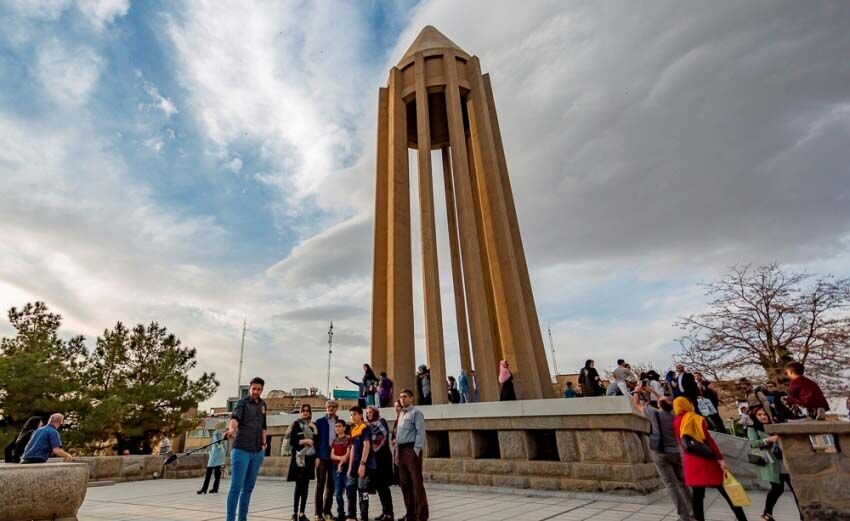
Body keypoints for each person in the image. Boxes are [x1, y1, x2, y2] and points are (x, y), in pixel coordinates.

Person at [672, 397, 747, 521]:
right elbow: (709, 441)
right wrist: (720, 458)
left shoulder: (676, 422)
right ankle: (742, 518)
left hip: (691, 460)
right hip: (706, 459)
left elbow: (682, 443)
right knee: (727, 492)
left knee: (697, 497)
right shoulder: (696, 418)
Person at [632, 386, 694, 521]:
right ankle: (693, 512)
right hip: (677, 453)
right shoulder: (676, 418)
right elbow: (662, 401)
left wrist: (637, 390)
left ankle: (683, 516)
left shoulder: (654, 414)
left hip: (660, 454)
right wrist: (651, 391)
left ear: (659, 405)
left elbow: (636, 403)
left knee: (671, 485)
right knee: (683, 483)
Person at [746, 406, 801, 521]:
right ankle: (767, 513)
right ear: (755, 417)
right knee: (777, 489)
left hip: (785, 462)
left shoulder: (775, 425)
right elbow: (753, 443)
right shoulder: (753, 428)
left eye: (765, 414)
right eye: (759, 415)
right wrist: (770, 439)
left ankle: (802, 515)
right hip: (772, 463)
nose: (763, 417)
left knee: (796, 490)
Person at [225, 376, 268, 521]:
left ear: (262, 390)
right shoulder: (242, 403)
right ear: (249, 388)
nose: (256, 391)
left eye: (259, 389)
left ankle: (242, 518)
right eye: (254, 388)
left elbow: (264, 426)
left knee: (248, 488)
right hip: (241, 450)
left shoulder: (263, 405)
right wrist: (231, 429)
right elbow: (235, 418)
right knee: (236, 488)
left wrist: (264, 444)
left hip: (257, 451)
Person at [396, 388, 428, 521]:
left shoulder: (416, 413)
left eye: (405, 397)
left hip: (411, 450)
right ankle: (410, 514)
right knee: (404, 484)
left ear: (411, 398)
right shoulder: (401, 414)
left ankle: (421, 515)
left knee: (416, 484)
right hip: (401, 450)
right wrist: (397, 454)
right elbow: (398, 435)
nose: (402, 399)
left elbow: (420, 433)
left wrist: (416, 450)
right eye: (401, 397)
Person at [288, 404, 317, 521]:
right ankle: (295, 512)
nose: (305, 413)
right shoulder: (296, 424)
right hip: (299, 459)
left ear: (310, 413)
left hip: (309, 459)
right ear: (300, 412)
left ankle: (302, 513)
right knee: (298, 486)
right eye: (303, 411)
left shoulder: (312, 425)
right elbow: (292, 441)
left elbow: (317, 441)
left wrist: (314, 429)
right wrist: (305, 440)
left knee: (305, 487)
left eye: (307, 411)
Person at [346, 406, 374, 521]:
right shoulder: (353, 429)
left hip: (363, 466)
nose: (352, 417)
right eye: (351, 414)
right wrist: (349, 467)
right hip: (354, 466)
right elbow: (352, 448)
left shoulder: (365, 428)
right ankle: (352, 516)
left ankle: (364, 517)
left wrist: (362, 464)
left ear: (361, 415)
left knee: (363, 492)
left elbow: (367, 445)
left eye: (355, 414)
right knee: (350, 489)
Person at [367, 406, 394, 521]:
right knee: (379, 488)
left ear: (376, 413)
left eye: (371, 412)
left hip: (382, 460)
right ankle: (385, 512)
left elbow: (381, 438)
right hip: (374, 462)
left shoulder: (380, 422)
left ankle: (389, 514)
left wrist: (370, 444)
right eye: (367, 413)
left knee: (384, 488)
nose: (368, 414)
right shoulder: (368, 426)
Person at [314, 400, 340, 521]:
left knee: (331, 485)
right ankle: (318, 513)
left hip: (334, 457)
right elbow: (315, 441)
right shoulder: (319, 422)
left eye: (333, 407)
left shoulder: (339, 423)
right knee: (320, 484)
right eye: (328, 406)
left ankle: (327, 512)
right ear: (326, 408)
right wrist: (317, 456)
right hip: (322, 457)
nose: (330, 408)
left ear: (336, 408)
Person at [329, 420, 350, 521]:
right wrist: (340, 459)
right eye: (336, 426)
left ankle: (351, 514)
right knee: (338, 493)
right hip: (335, 469)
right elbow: (331, 455)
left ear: (344, 428)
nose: (337, 428)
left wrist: (342, 462)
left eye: (339, 426)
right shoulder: (334, 440)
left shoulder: (348, 439)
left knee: (349, 492)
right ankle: (341, 513)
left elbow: (348, 454)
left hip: (345, 469)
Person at [198, 424, 227, 494]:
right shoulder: (223, 433)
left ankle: (204, 488)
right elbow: (224, 445)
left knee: (209, 471)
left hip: (215, 454)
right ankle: (215, 488)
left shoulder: (215, 433)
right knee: (217, 472)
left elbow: (217, 443)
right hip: (221, 453)